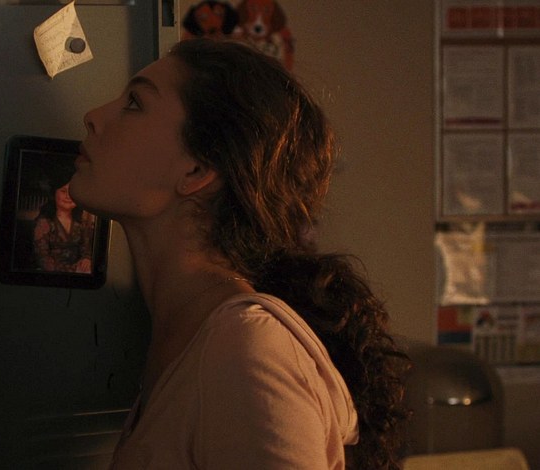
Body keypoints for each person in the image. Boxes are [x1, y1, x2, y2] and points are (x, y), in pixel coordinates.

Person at [69, 38, 409, 469]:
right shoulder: (187, 337)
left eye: (135, 103)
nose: (93, 116)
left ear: (197, 170)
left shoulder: (247, 348)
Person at [33, 181, 95, 273]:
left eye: (72, 193)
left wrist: (87, 259)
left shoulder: (82, 222)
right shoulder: (44, 223)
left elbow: (87, 249)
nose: (68, 196)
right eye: (63, 191)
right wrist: (72, 270)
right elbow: (42, 258)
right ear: (54, 193)